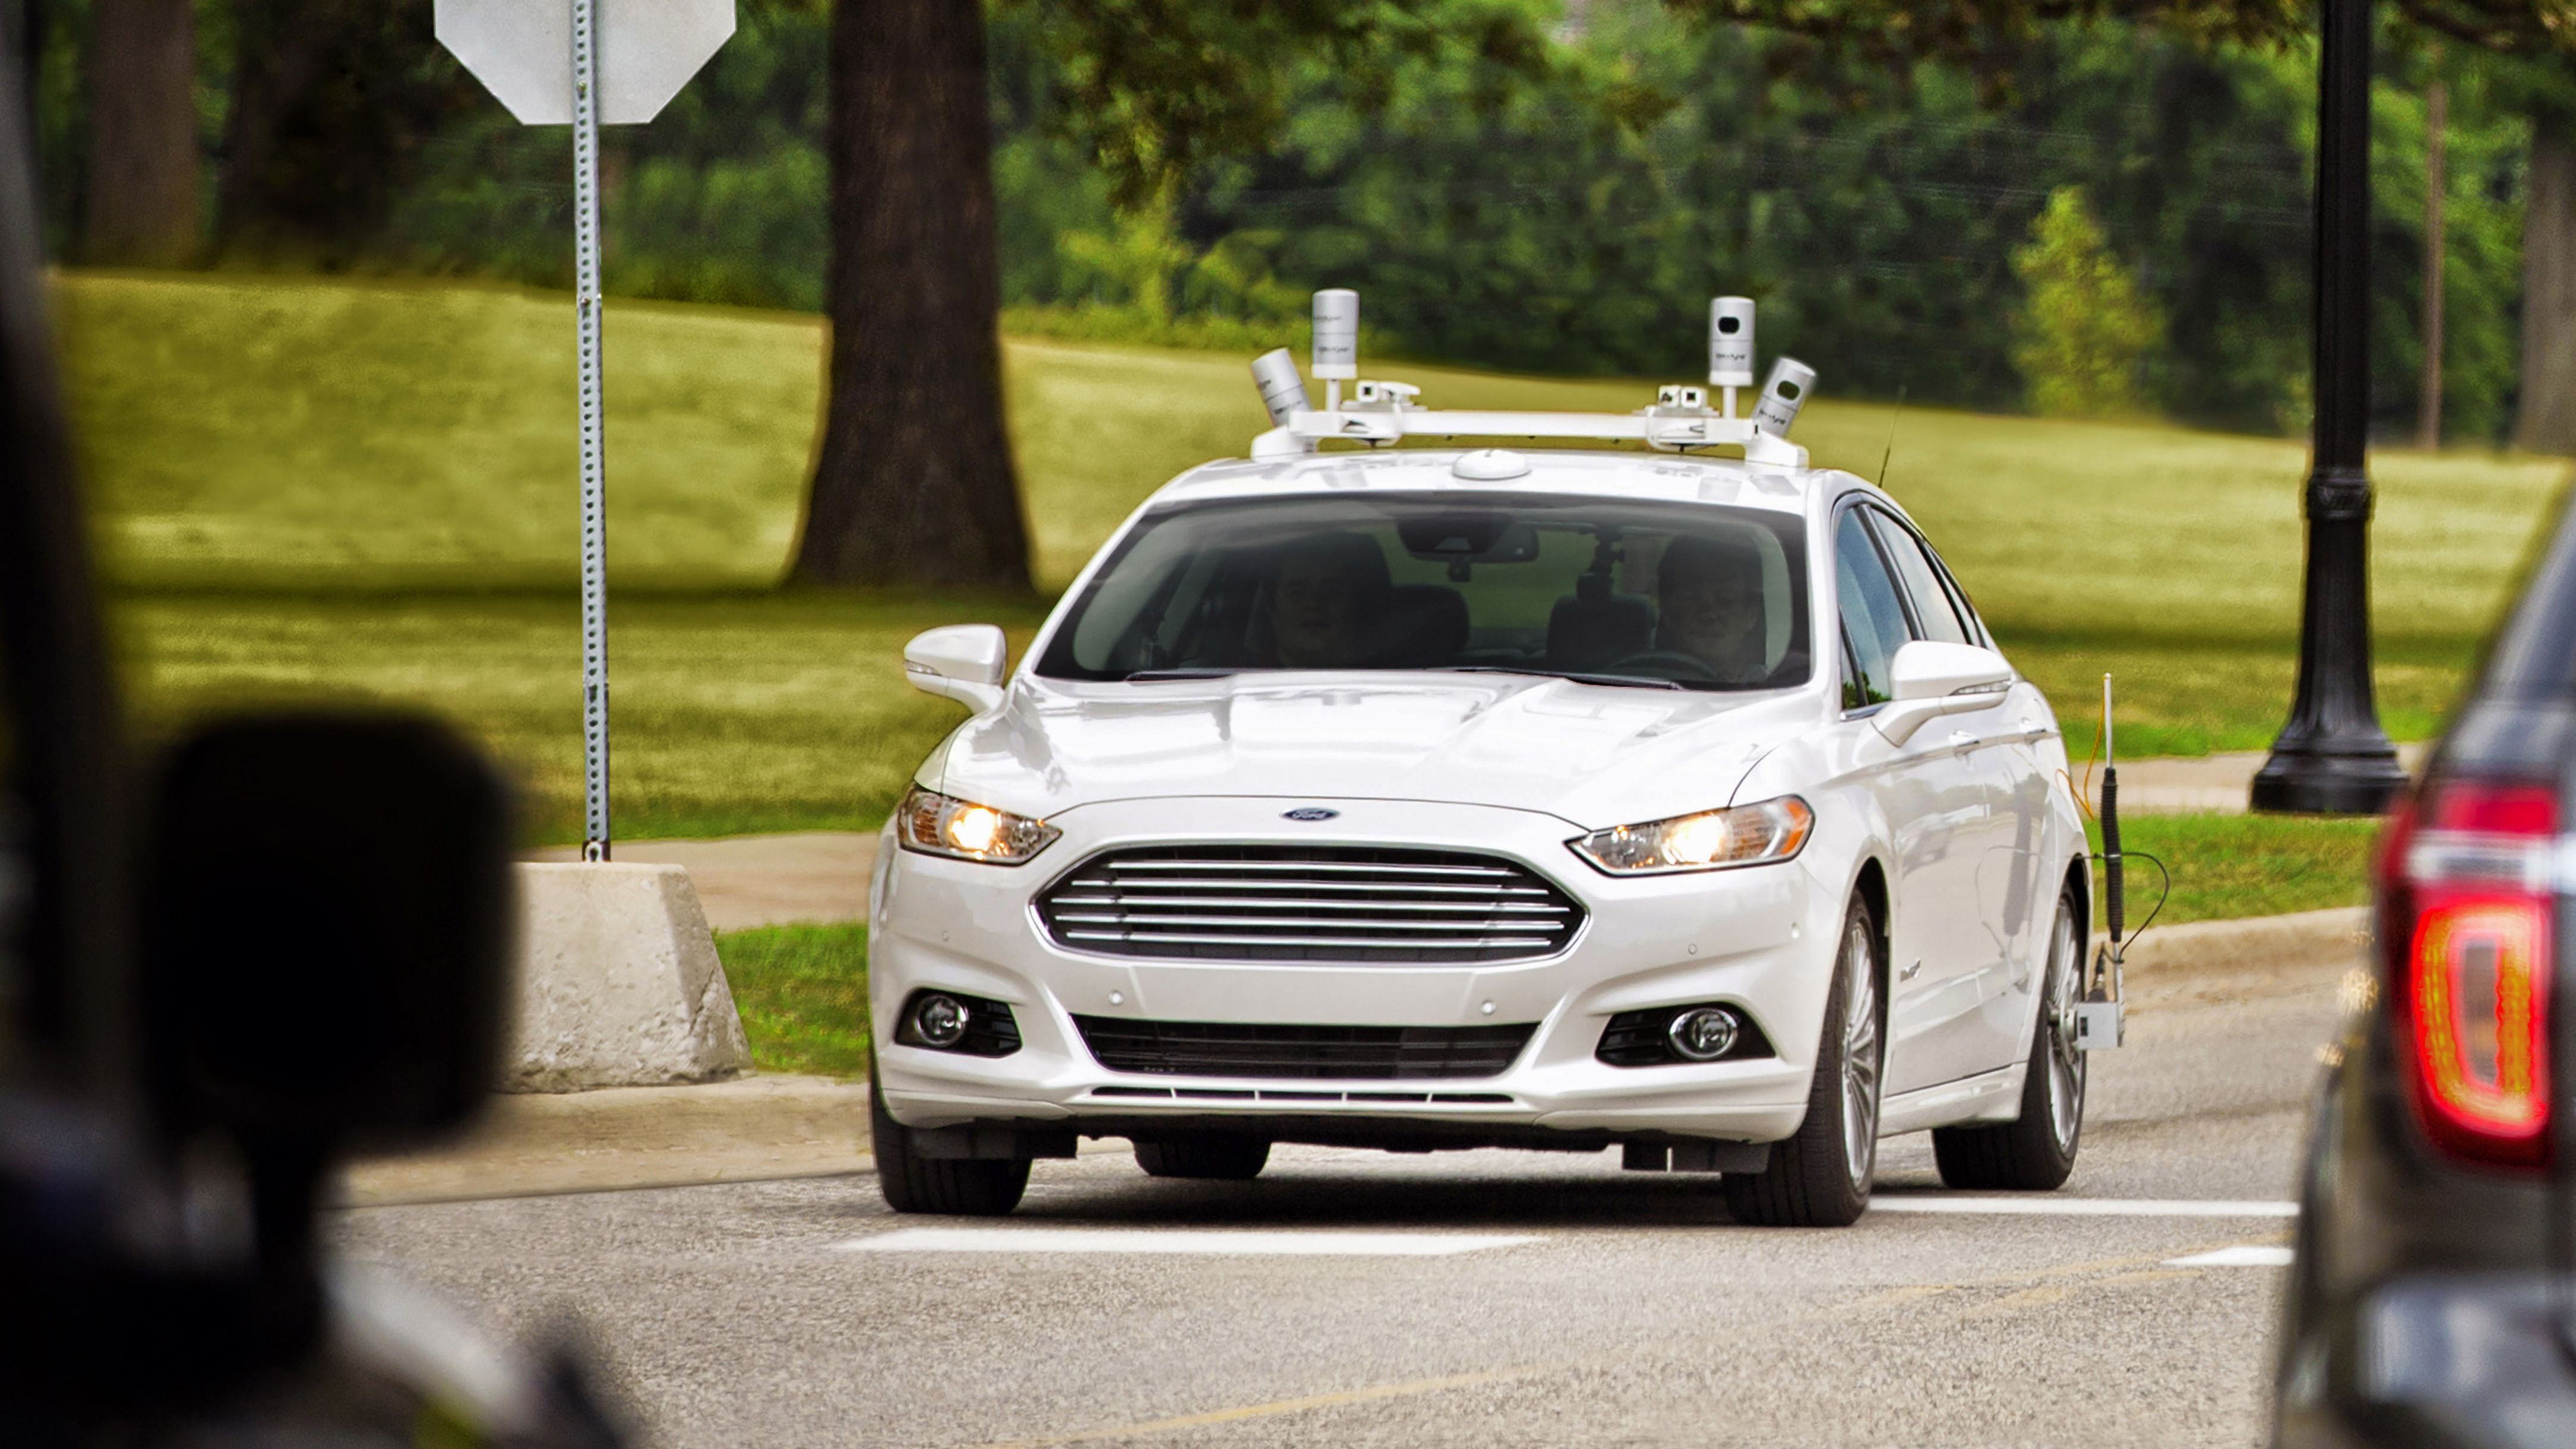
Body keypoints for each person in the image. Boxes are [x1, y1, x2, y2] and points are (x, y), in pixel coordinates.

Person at [1654, 533, 1771, 683]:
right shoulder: (1631, 678)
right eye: (1693, 599)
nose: (1710, 614)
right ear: (1667, 608)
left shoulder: (1777, 693)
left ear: (1751, 614)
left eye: (1726, 600)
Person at [1267, 531, 1389, 667]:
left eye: (1331, 591)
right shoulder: (1243, 677)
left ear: (1356, 606)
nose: (1313, 603)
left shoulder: (1397, 679)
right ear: (1272, 610)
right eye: (1297, 593)